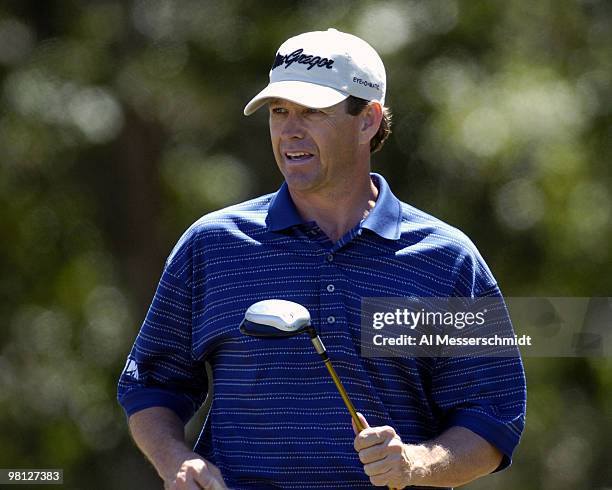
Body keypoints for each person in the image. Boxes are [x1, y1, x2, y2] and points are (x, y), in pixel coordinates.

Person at [118, 28, 526, 490]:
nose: (290, 130)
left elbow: (492, 422)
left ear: (368, 120)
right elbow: (151, 384)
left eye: (312, 112)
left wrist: (414, 463)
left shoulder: (446, 260)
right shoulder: (213, 245)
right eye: (278, 112)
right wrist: (176, 460)